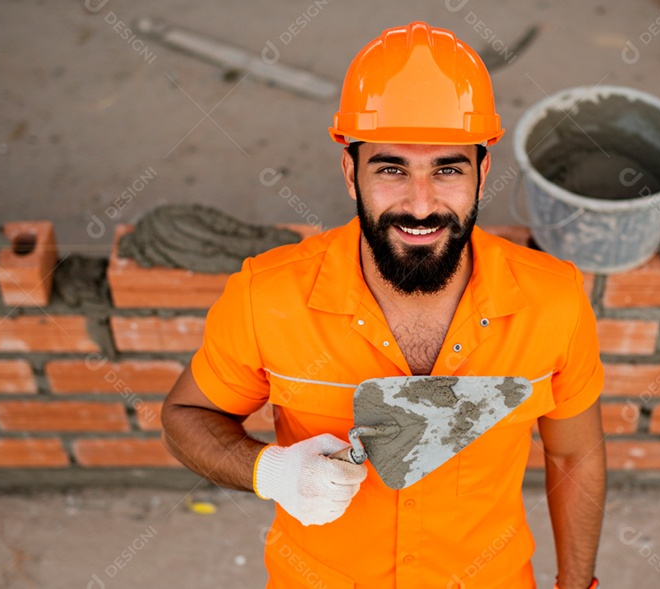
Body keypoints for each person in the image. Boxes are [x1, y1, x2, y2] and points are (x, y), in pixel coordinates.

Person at [161, 21, 606, 589]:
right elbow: (185, 417)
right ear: (351, 172)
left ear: (482, 173)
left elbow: (574, 458)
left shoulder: (553, 301)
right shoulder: (266, 297)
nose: (421, 204)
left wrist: (578, 586)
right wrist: (269, 469)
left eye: (447, 169)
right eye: (392, 169)